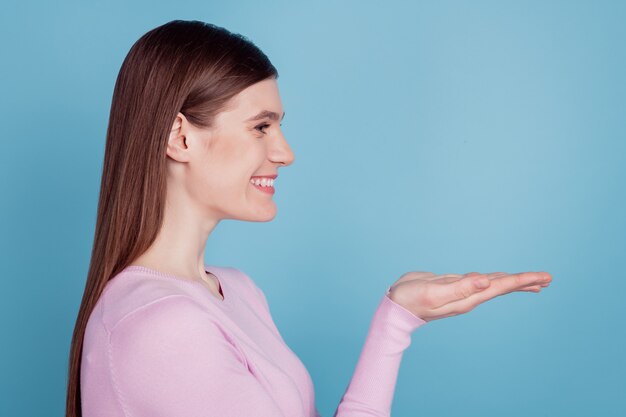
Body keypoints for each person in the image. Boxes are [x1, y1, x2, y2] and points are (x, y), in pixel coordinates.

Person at [65, 19, 552, 417]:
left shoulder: (237, 292)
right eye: (261, 127)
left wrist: (398, 319)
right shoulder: (159, 324)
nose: (285, 152)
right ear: (180, 138)